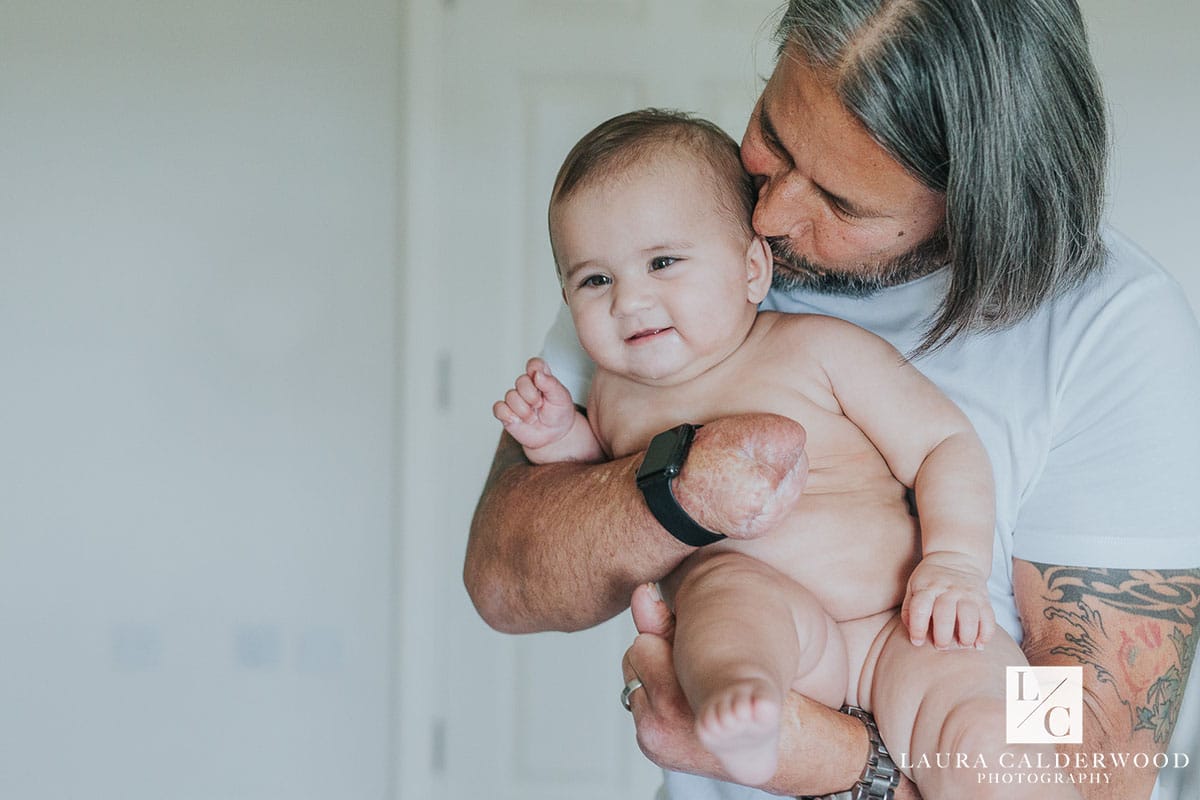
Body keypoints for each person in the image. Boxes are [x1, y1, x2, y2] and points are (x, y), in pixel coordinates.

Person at [465, 1, 1200, 799]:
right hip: (772, 630)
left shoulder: (1109, 331)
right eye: (772, 139)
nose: (770, 218)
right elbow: (504, 578)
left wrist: (847, 761)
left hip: (925, 652)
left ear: (975, 202)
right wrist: (679, 491)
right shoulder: (669, 257)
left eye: (842, 204)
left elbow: (1096, 756)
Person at [493, 108, 1085, 798]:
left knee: (991, 738)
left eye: (663, 263)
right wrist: (557, 437)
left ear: (751, 268)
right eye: (593, 281)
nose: (630, 299)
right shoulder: (612, 395)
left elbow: (943, 444)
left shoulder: (816, 349)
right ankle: (742, 705)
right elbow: (593, 479)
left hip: (904, 621)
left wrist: (952, 562)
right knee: (724, 602)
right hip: (777, 637)